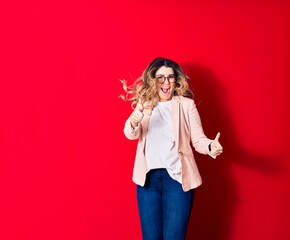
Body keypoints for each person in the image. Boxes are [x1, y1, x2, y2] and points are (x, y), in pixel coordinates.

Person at [120, 57, 223, 240]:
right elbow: (131, 134)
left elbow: (198, 140)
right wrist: (135, 118)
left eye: (170, 77)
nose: (166, 82)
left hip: (177, 181)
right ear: (153, 79)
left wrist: (210, 146)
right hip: (147, 182)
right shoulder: (144, 104)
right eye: (160, 77)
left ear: (176, 80)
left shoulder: (186, 105)